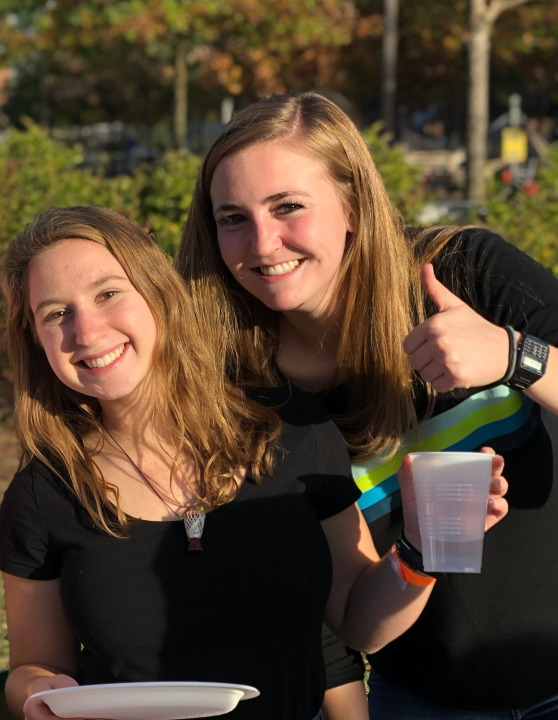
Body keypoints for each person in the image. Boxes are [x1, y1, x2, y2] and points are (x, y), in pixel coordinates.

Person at [0, 206, 506, 720]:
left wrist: (420, 549)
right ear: (36, 341)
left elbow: (357, 624)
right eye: (56, 313)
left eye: (108, 293)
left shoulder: (291, 430)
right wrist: (38, 692)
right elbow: (32, 667)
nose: (85, 331)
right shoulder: (44, 493)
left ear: (158, 295)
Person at [176, 91, 557, 719]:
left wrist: (515, 356)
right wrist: (415, 547)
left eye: (288, 207)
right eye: (232, 218)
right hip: (422, 703)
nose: (264, 243)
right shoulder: (247, 392)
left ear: (352, 205)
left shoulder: (462, 274)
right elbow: (356, 624)